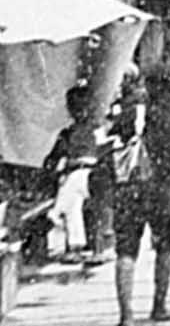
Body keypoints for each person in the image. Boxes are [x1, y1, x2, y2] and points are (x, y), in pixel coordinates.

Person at [109, 63, 170, 325]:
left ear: (147, 86)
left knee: (125, 251)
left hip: (130, 190)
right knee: (164, 247)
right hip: (165, 193)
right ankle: (159, 306)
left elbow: (109, 144)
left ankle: (126, 315)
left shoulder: (130, 115)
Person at [43, 85, 106, 264]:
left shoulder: (68, 133)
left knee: (60, 210)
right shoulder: (97, 129)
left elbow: (53, 158)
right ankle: (96, 249)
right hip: (97, 174)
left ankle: (72, 248)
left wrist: (54, 169)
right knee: (80, 207)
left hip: (77, 173)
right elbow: (103, 149)